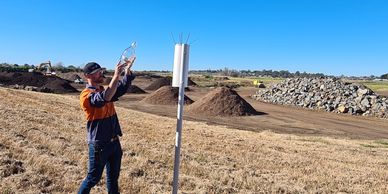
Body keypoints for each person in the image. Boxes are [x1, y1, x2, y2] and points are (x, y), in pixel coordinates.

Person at [78, 57, 135, 194]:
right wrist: (116, 75)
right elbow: (106, 97)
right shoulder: (86, 96)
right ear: (88, 76)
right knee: (93, 178)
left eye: (101, 71)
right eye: (98, 72)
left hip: (114, 143)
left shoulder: (104, 90)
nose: (101, 74)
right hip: (99, 145)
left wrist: (126, 71)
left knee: (113, 178)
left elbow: (120, 89)